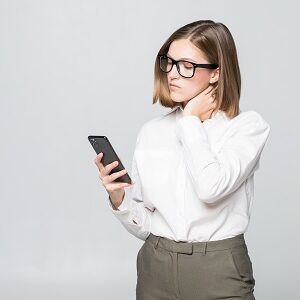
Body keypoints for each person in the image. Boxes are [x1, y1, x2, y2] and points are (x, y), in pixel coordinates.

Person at [94, 20, 271, 300]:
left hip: (219, 269)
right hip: (156, 266)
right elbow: (148, 223)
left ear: (216, 73)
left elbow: (211, 188)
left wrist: (190, 121)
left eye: (186, 65)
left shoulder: (246, 128)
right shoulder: (152, 132)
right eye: (169, 62)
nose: (172, 74)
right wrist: (119, 199)